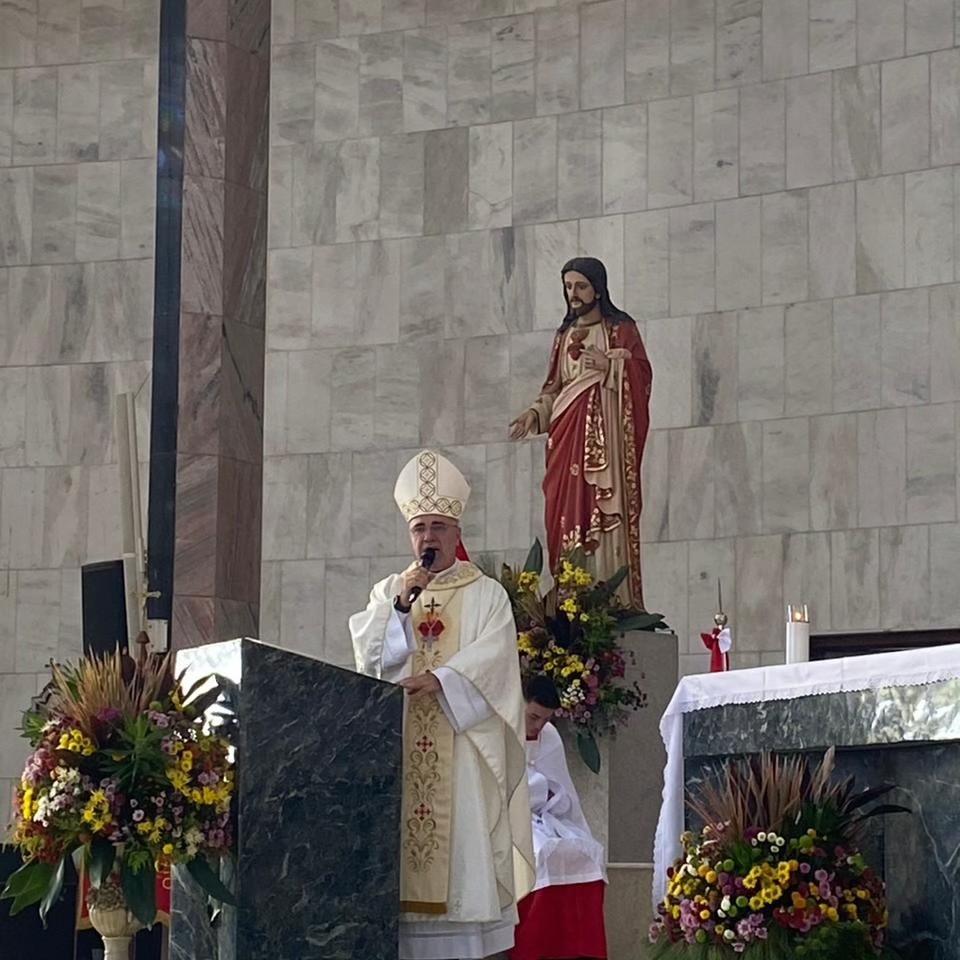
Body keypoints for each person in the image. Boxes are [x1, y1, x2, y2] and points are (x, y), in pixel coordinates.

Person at [350, 449, 535, 960]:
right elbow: (367, 658)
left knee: (462, 862)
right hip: (401, 751)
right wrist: (398, 609)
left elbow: (496, 665)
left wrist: (443, 680)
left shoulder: (486, 595)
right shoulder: (392, 590)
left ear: (456, 533)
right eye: (419, 528)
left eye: (438, 527)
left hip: (460, 748)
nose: (428, 538)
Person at [509, 257, 652, 609]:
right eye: (569, 286)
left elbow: (642, 376)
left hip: (608, 446)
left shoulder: (620, 330)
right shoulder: (563, 336)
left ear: (598, 289)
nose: (573, 293)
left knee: (603, 512)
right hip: (566, 439)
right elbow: (554, 388)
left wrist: (611, 366)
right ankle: (570, 595)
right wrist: (534, 413)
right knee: (564, 511)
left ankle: (612, 597)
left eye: (581, 286)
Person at [510, 675, 607, 960]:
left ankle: (579, 951)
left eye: (545, 719)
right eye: (533, 716)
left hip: (546, 817)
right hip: (512, 820)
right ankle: (535, 950)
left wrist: (552, 797)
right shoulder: (500, 728)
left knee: (588, 852)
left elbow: (565, 793)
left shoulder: (549, 735)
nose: (538, 726)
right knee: (542, 855)